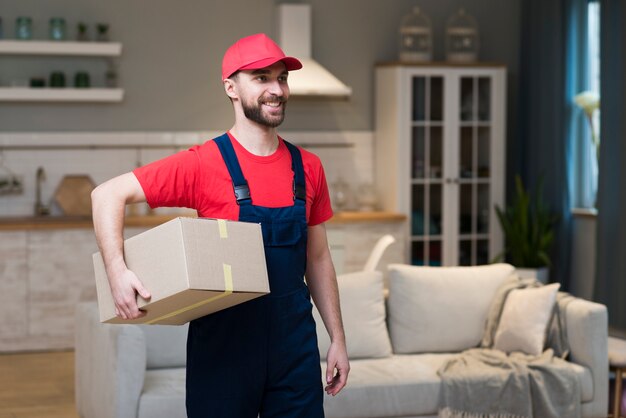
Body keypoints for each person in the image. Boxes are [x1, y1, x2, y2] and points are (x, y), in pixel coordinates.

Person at [91, 33, 350, 417]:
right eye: (261, 78)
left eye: (281, 78)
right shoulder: (203, 163)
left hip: (294, 345)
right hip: (224, 348)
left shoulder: (308, 167)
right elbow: (106, 195)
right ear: (231, 87)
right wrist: (117, 270)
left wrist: (338, 339)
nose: (276, 89)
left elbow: (318, 258)